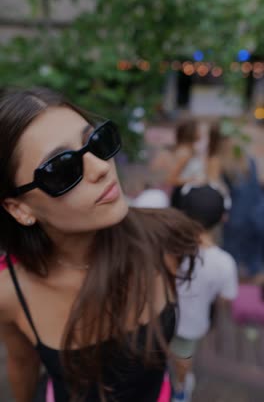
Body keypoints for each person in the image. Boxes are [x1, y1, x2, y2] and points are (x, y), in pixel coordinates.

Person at [0, 88, 200, 402]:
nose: (101, 167)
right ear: (19, 209)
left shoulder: (165, 237)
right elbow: (22, 363)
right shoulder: (9, 290)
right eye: (62, 168)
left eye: (97, 142)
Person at [169, 184, 238, 402]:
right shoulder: (225, 263)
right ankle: (181, 387)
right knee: (184, 358)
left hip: (161, 315)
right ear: (222, 219)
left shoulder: (167, 245)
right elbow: (226, 298)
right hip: (191, 323)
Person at [207, 121, 263, 277]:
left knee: (232, 265)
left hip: (235, 217)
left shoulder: (217, 161)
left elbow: (215, 189)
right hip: (257, 214)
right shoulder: (247, 159)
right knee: (255, 263)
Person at [167, 119, 205, 209]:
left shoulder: (191, 151)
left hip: (191, 195)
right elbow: (170, 179)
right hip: (183, 196)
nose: (201, 132)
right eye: (198, 129)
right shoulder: (184, 153)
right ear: (191, 132)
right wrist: (193, 180)